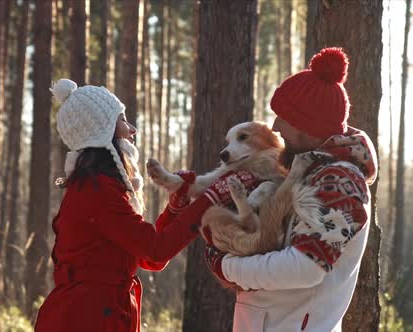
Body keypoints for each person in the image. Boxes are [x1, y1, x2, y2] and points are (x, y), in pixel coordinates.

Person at [34, 79, 258, 332]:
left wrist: (176, 208)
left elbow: (149, 257)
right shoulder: (96, 191)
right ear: (101, 131)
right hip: (85, 319)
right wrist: (212, 198)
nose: (132, 130)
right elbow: (155, 250)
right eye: (122, 120)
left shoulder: (97, 186)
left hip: (96, 314)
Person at [203, 47, 378, 332]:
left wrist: (226, 266)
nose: (275, 125)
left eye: (284, 116)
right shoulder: (308, 171)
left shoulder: (340, 183)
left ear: (308, 123)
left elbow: (304, 267)